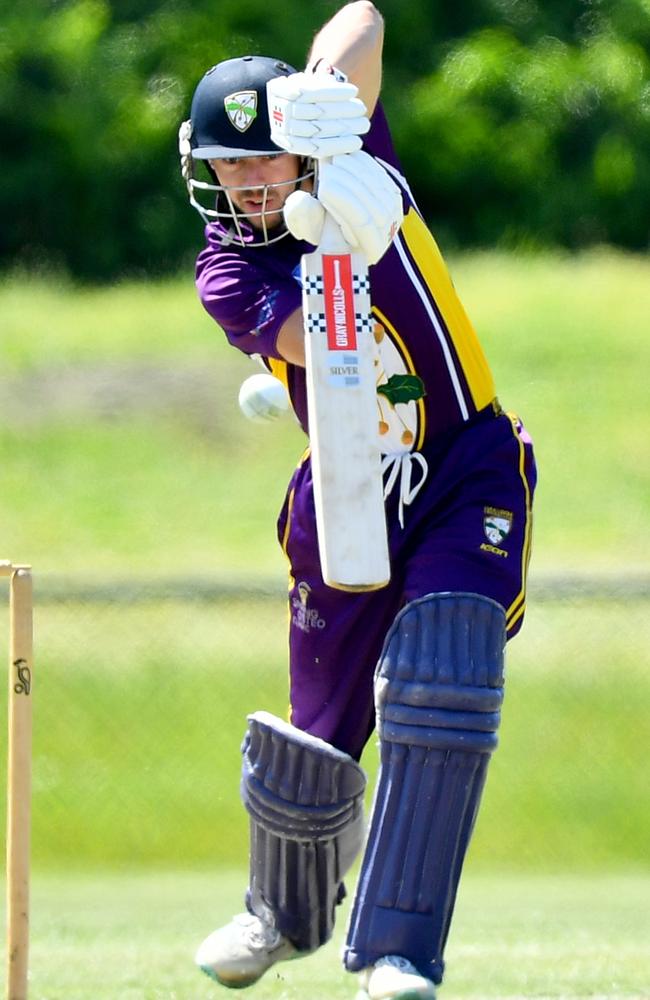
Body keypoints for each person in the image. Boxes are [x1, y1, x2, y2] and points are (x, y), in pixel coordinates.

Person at [178, 4, 537, 999]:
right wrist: (339, 237)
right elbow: (315, 343)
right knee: (319, 730)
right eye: (229, 163)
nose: (249, 180)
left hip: (463, 463)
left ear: (301, 148)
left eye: (267, 158)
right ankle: (281, 914)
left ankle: (393, 950)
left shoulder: (343, 144)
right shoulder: (227, 266)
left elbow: (364, 19)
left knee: (443, 672)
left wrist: (326, 95)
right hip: (343, 487)